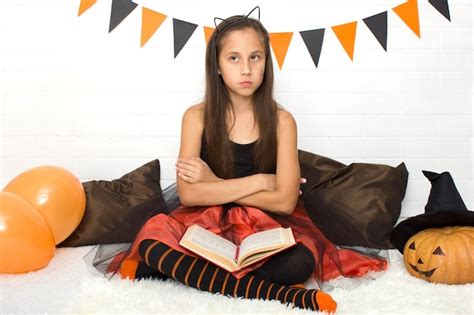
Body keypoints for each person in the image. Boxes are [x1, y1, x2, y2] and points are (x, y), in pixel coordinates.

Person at [113, 7, 387, 312]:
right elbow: (190, 195)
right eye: (234, 58)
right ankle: (286, 296)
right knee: (152, 242)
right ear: (217, 66)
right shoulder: (196, 117)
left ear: (266, 64)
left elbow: (284, 202)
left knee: (300, 261)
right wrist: (261, 181)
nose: (246, 69)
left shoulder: (283, 121)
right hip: (206, 219)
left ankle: (179, 274)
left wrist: (214, 183)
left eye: (255, 57)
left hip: (264, 225)